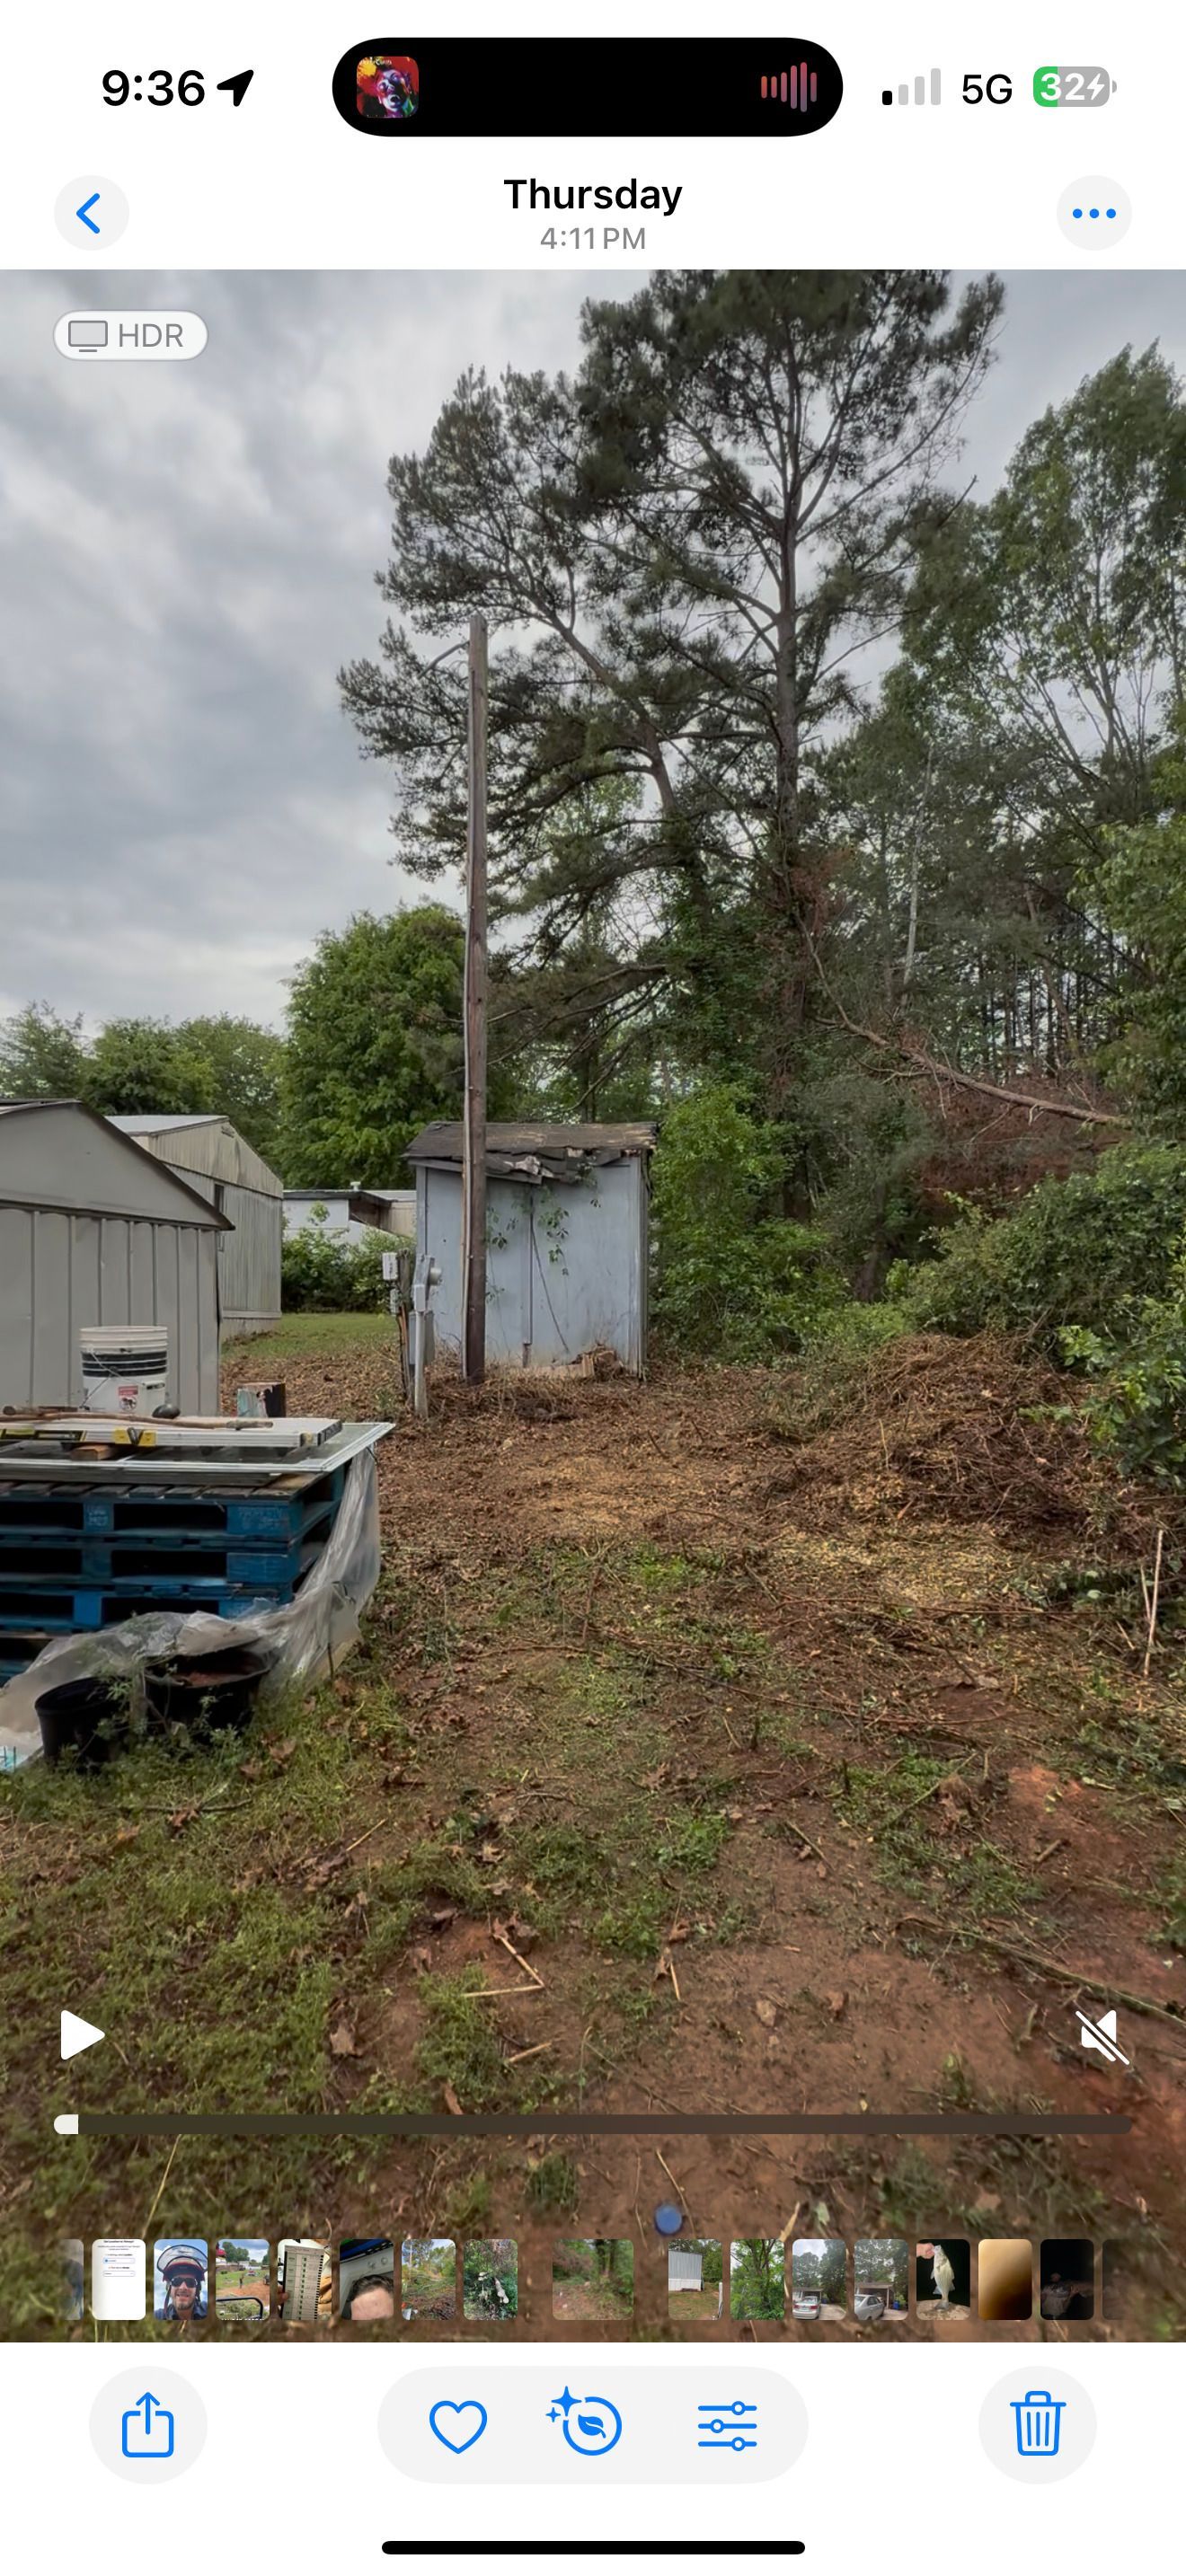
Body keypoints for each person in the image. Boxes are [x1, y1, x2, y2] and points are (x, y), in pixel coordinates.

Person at [157, 2244, 208, 2323]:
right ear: (169, 2288)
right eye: (176, 2281)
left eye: (190, 2282)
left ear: (197, 2289)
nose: (183, 2287)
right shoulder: (158, 2316)